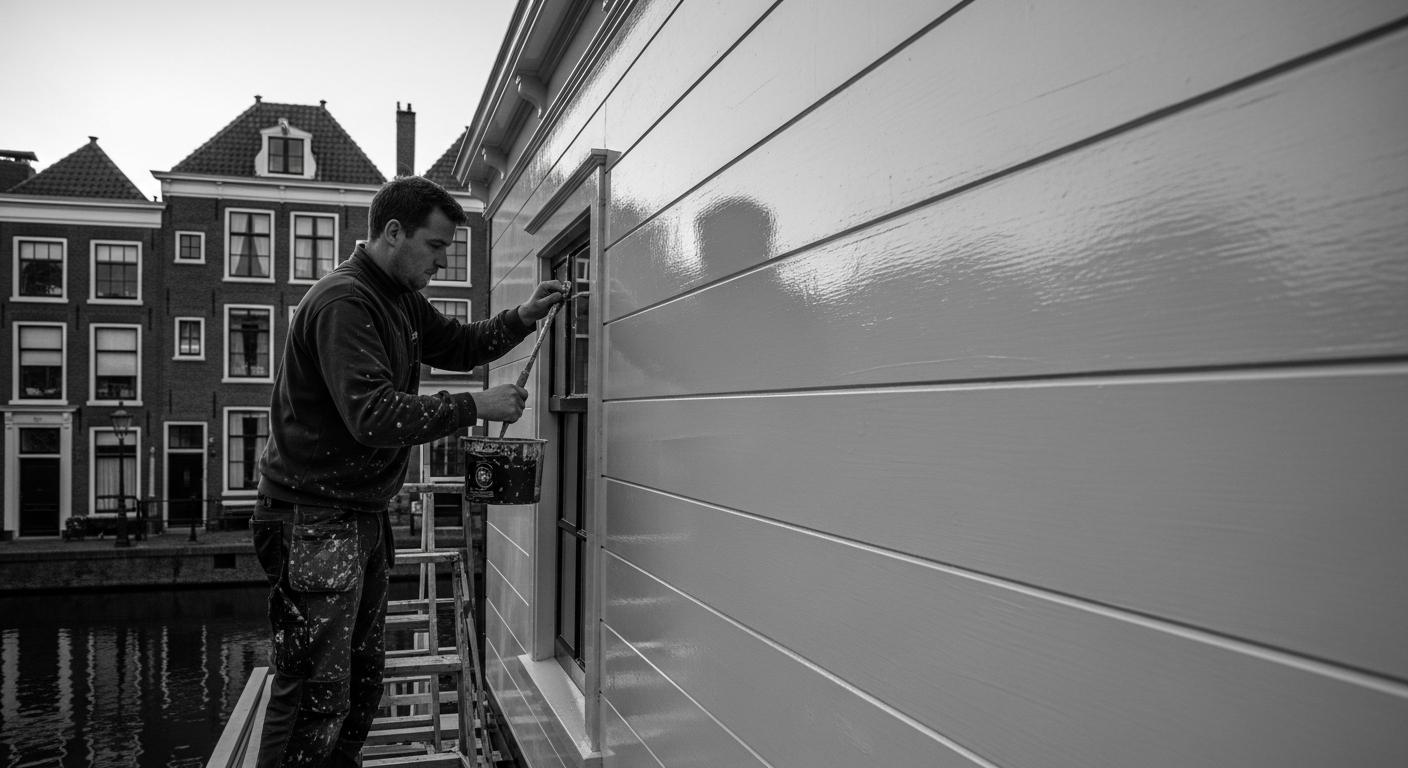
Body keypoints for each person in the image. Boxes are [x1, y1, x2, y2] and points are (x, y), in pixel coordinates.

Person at [251, 175, 567, 767]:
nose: (443, 263)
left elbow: (461, 343)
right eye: (437, 247)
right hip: (313, 520)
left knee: (361, 683)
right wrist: (476, 406)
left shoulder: (398, 299)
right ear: (393, 233)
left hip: (357, 517)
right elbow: (372, 416)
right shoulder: (345, 303)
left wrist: (524, 316)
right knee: (316, 690)